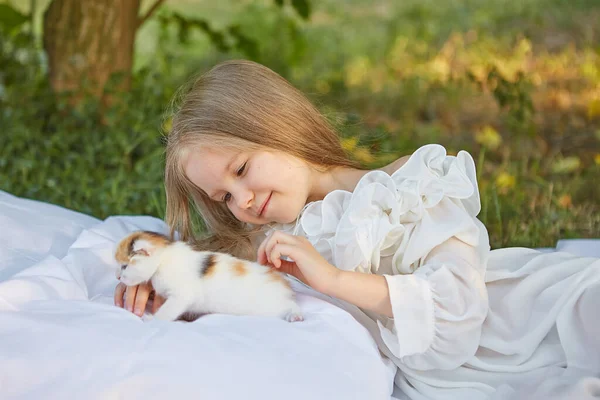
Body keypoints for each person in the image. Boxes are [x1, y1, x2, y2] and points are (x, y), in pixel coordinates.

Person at [114, 59, 600, 399]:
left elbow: (458, 314)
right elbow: (212, 274)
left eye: (241, 169)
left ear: (277, 126)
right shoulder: (270, 244)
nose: (241, 201)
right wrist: (158, 285)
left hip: (532, 320)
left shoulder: (411, 184)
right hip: (451, 379)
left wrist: (334, 280)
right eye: (223, 197)